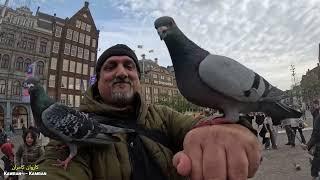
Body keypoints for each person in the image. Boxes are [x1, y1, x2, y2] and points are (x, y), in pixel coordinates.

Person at [27, 44, 261, 180]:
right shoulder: (69, 119)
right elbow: (51, 167)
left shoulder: (164, 116)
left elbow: (198, 125)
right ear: (97, 80)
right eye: (110, 67)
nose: (121, 72)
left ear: (139, 79)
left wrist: (232, 130)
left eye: (129, 66)